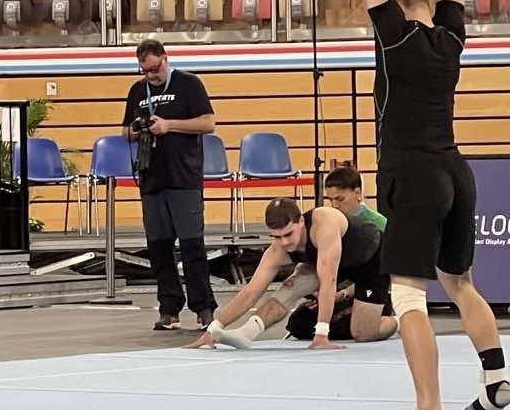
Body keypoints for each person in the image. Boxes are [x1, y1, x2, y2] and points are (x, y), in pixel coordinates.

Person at [364, 0, 510, 410]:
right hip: (456, 170)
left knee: (407, 296)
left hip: (415, 174)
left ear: (395, 4)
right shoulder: (450, 36)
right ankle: (495, 380)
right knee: (460, 282)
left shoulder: (395, 39)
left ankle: (428, 405)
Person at [187, 198, 396, 350]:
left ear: (301, 222)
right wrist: (213, 329)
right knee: (290, 286)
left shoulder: (325, 222)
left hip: (371, 261)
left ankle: (398, 320)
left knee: (362, 333)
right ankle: (247, 333)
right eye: (277, 237)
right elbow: (251, 291)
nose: (285, 242)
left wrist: (321, 334)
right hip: (327, 262)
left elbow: (329, 279)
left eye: (288, 234)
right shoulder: (279, 248)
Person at [123, 39, 217, 332]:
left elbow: (208, 123)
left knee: (191, 245)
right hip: (152, 178)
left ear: (165, 58)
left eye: (154, 68)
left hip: (183, 177)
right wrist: (137, 131)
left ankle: (204, 308)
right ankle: (169, 308)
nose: (151, 75)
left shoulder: (189, 84)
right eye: (145, 71)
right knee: (159, 248)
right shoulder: (138, 91)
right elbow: (125, 131)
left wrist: (169, 125)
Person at [322, 163, 387, 233]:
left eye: (340, 199)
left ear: (357, 193)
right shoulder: (329, 223)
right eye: (331, 200)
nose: (334, 205)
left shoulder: (379, 224)